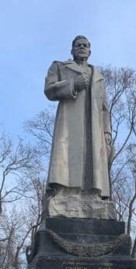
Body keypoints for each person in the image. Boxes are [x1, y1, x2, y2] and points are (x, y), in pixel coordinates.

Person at [43, 35, 114, 219]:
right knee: (68, 154)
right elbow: (49, 90)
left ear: (90, 50)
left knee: (93, 159)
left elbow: (105, 108)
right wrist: (73, 84)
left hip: (94, 127)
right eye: (78, 45)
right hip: (70, 123)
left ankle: (92, 195)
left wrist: (107, 132)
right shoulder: (60, 66)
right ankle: (67, 194)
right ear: (72, 50)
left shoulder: (98, 76)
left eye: (85, 45)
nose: (82, 48)